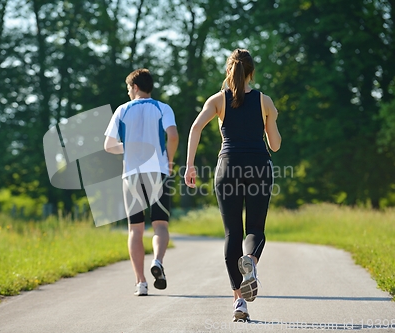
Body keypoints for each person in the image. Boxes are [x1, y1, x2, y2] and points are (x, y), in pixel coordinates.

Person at [184, 49, 281, 321]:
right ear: (252, 72)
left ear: (229, 71)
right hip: (259, 166)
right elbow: (274, 145)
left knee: (232, 234)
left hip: (227, 167)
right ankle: (250, 260)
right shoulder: (265, 101)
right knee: (255, 230)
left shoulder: (217, 100)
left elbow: (195, 128)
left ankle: (239, 302)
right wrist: (270, 119)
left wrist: (190, 166)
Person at [104, 68, 179, 296]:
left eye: (128, 88)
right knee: (160, 225)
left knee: (135, 230)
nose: (128, 92)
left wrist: (129, 147)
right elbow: (173, 135)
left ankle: (141, 283)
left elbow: (108, 145)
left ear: (135, 87)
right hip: (158, 172)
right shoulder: (162, 108)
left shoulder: (122, 110)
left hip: (132, 175)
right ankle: (157, 260)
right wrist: (170, 160)